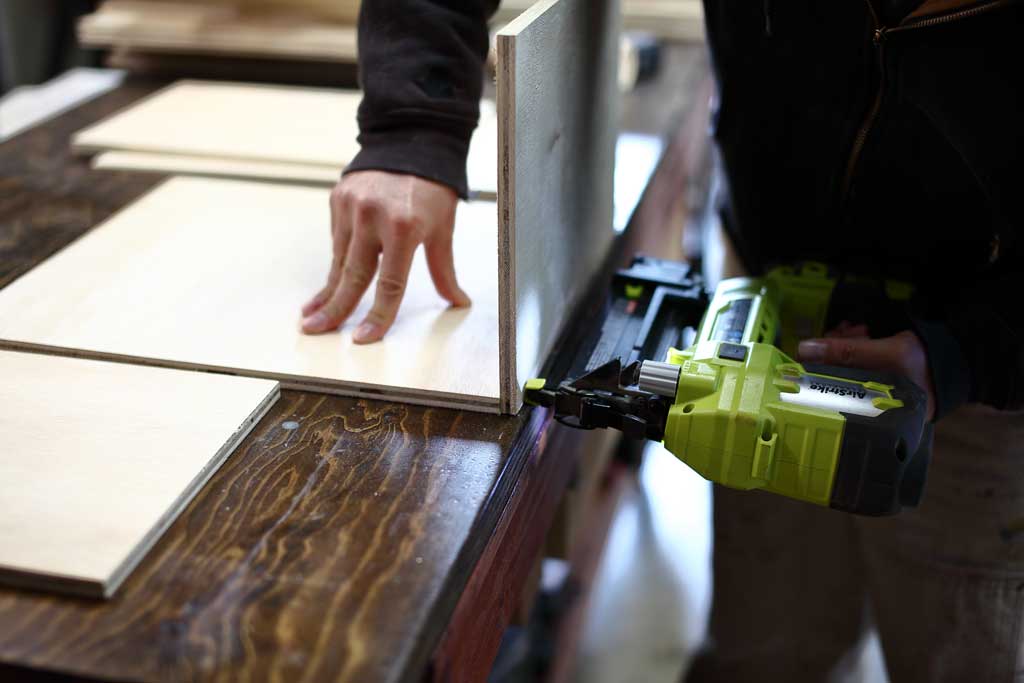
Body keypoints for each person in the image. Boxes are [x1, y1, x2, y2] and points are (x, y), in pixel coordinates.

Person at [301, 1, 1023, 680]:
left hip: (984, 366)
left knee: (965, 650)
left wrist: (967, 354)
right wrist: (411, 129)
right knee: (763, 643)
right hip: (775, 277)